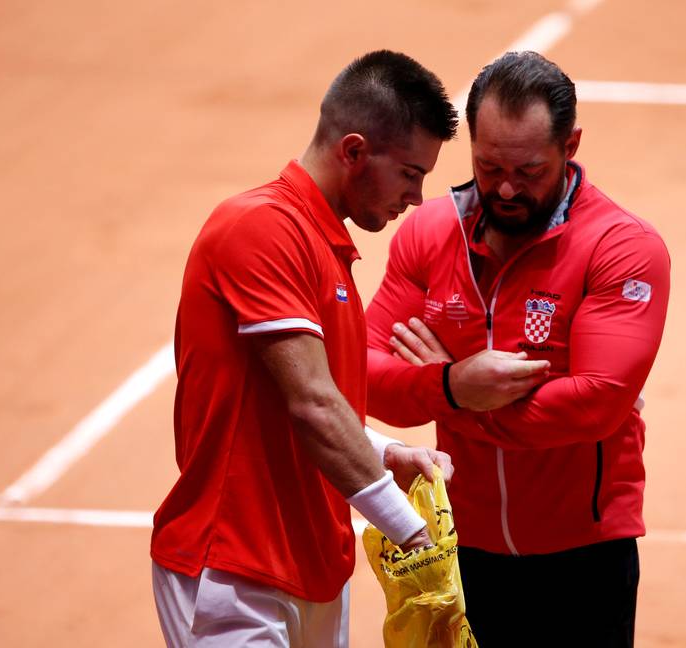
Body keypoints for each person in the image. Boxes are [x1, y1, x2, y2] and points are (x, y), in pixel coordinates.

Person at [150, 50, 459, 648]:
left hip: (312, 565)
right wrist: (408, 529)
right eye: (410, 174)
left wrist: (385, 451)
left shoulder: (323, 244)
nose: (417, 198)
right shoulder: (262, 228)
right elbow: (312, 405)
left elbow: (298, 407)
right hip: (235, 569)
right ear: (353, 151)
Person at [365, 51, 670, 647]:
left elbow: (597, 404)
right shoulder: (431, 231)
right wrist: (453, 385)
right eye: (488, 166)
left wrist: (450, 395)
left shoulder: (622, 248)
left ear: (570, 144)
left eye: (528, 170)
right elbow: (362, 373)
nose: (505, 188)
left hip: (585, 557)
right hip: (464, 548)